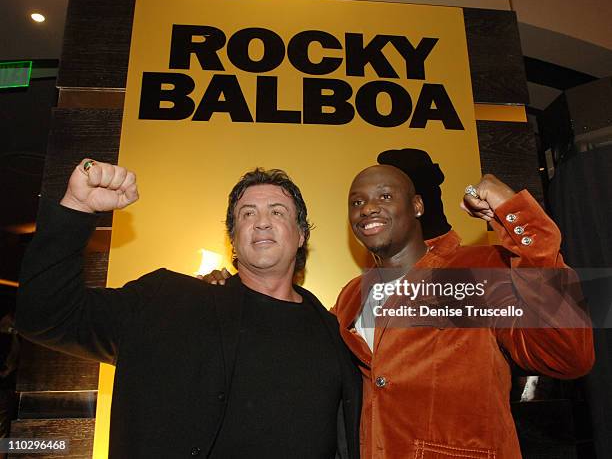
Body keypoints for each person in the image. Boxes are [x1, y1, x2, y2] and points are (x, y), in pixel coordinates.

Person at [205, 149, 594, 458]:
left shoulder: (474, 271)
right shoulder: (350, 298)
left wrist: (519, 219)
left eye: (384, 196)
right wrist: (227, 294)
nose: (367, 208)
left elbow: (567, 354)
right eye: (356, 202)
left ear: (418, 207)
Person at [16, 159, 362, 459]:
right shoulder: (165, 301)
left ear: (301, 235)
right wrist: (77, 206)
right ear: (233, 236)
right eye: (247, 213)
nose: (261, 222)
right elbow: (47, 314)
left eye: (277, 211)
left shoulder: (335, 334)